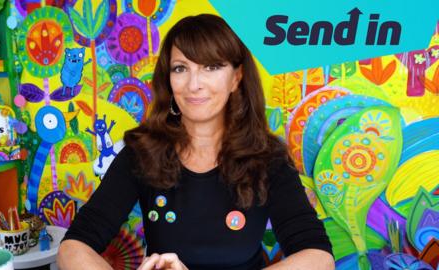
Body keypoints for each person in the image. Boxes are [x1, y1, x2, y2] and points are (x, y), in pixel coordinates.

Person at [57, 14, 335, 270]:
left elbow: (319, 257)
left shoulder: (267, 159)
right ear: (168, 78)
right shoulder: (141, 153)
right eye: (181, 68)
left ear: (236, 78)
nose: (194, 84)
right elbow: (73, 247)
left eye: (211, 67)